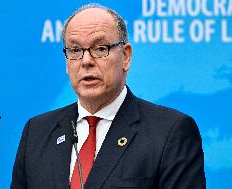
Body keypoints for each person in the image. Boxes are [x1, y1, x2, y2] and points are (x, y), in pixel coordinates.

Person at [11, 3, 206, 189]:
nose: (86, 61)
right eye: (76, 50)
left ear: (126, 56)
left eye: (100, 48)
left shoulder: (170, 131)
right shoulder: (37, 131)